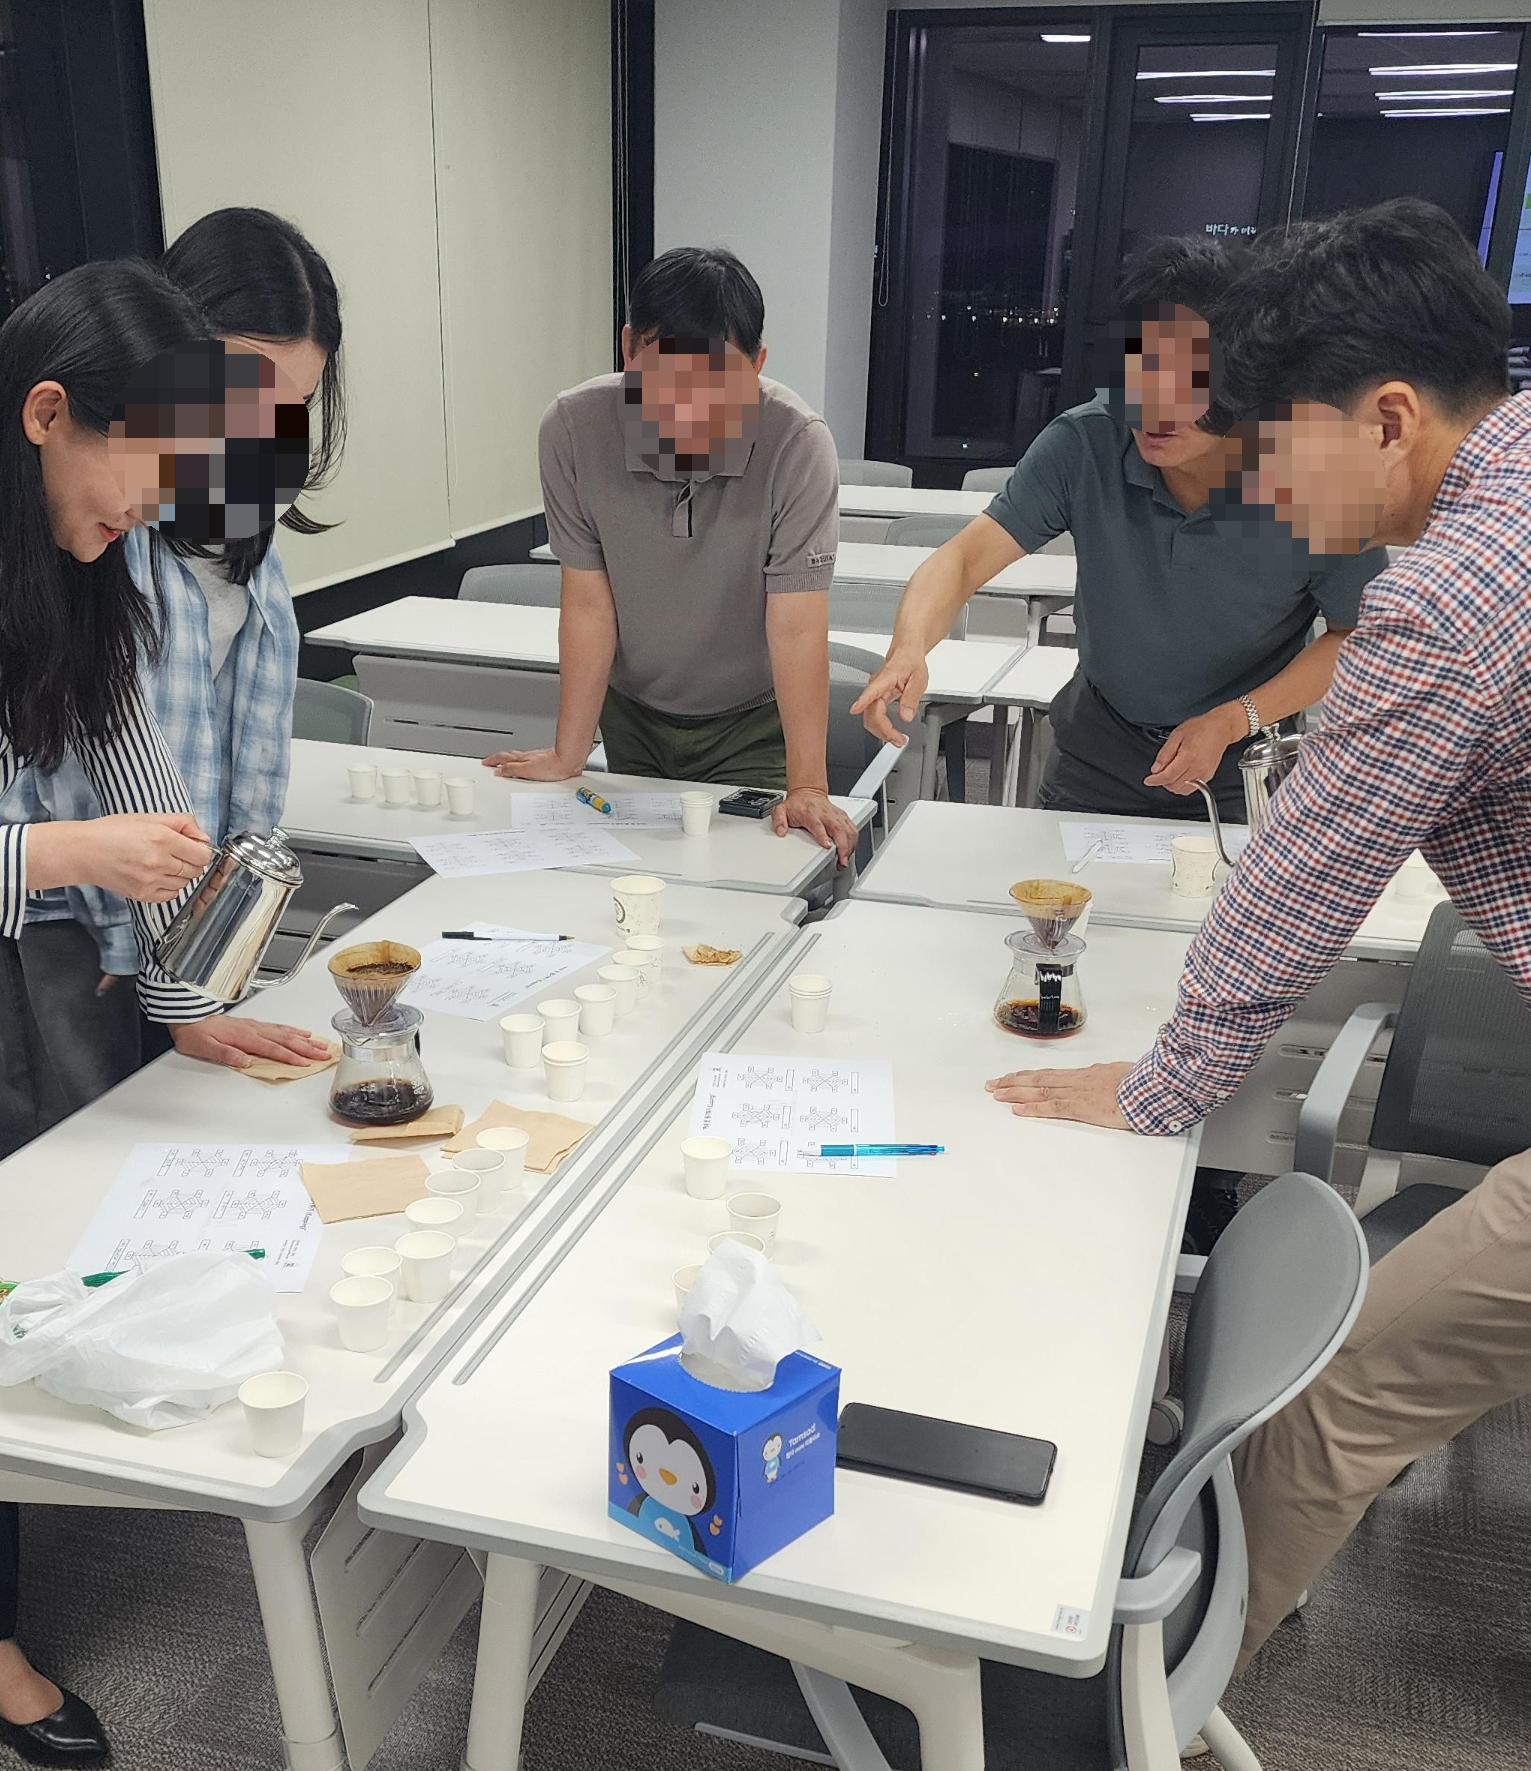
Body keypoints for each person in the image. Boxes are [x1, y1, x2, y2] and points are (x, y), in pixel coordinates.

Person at [985, 198, 1531, 1671]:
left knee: (1337, 1387)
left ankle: (1153, 1692)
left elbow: (1305, 870)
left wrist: (1157, 1085)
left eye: (1280, 444)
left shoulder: (1454, 594)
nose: (1268, 490)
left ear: (1392, 417)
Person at [0, 259, 249, 1761]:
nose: (154, 504)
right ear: (46, 412)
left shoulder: (77, 537)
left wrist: (190, 989)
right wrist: (53, 854)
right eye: (146, 464)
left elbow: (136, 762)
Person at [0, 209, 345, 1158]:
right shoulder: (91, 511)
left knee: (179, 1147)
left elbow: (243, 753)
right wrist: (132, 930)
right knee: (74, 1160)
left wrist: (199, 953)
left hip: (177, 909)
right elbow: (68, 752)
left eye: (292, 402)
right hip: (69, 909)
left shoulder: (246, 535)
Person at [855, 238, 1386, 819]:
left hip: (1245, 764)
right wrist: (907, 649)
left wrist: (1235, 719)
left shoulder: (1318, 475)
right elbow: (961, 560)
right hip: (1099, 752)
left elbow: (1356, 634)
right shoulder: (1086, 443)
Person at [484, 245, 859, 863]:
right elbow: (588, 601)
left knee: (753, 875)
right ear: (629, 350)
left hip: (751, 718)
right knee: (636, 873)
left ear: (757, 366)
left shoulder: (797, 443)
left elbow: (795, 624)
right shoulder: (574, 429)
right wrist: (568, 754)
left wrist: (808, 788)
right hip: (633, 712)